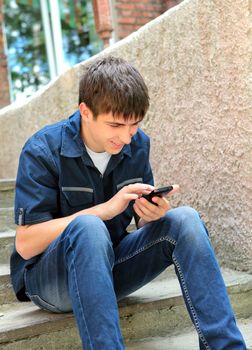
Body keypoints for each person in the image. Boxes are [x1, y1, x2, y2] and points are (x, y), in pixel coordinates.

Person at [11, 56, 246, 350]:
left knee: (185, 220)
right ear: (85, 111)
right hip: (52, 283)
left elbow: (140, 225)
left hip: (110, 269)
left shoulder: (138, 144)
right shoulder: (42, 149)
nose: (125, 136)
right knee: (88, 227)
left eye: (134, 124)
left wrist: (151, 216)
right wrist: (103, 210)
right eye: (115, 125)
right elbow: (26, 244)